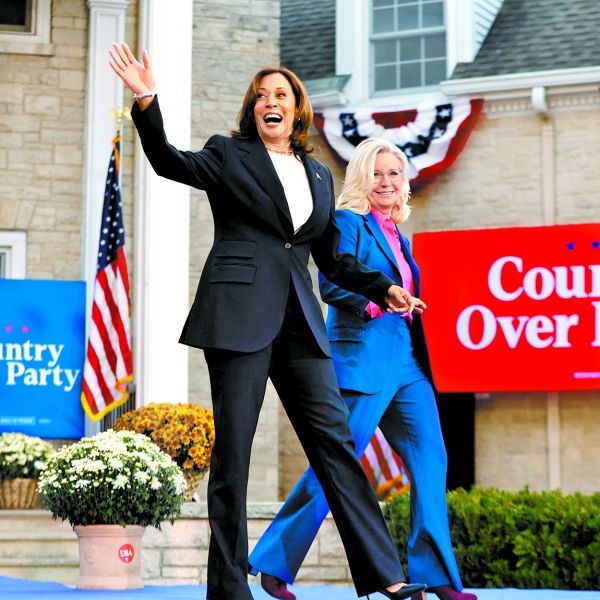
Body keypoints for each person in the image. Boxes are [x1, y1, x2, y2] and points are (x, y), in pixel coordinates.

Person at [108, 43, 428, 600]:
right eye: (261, 96)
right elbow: (168, 161)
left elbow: (332, 258)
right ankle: (230, 589)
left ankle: (386, 577)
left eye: (280, 95)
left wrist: (385, 286)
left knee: (335, 443)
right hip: (238, 318)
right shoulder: (228, 155)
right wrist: (146, 98)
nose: (269, 102)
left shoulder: (320, 176)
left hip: (301, 324)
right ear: (252, 109)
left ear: (297, 108)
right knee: (234, 454)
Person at [249, 138, 477, 600]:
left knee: (432, 458)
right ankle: (274, 562)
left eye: (394, 173)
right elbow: (332, 283)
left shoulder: (400, 236)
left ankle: (436, 575)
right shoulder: (347, 223)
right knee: (336, 467)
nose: (387, 181)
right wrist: (379, 301)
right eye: (377, 173)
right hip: (362, 361)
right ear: (361, 178)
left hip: (408, 366)